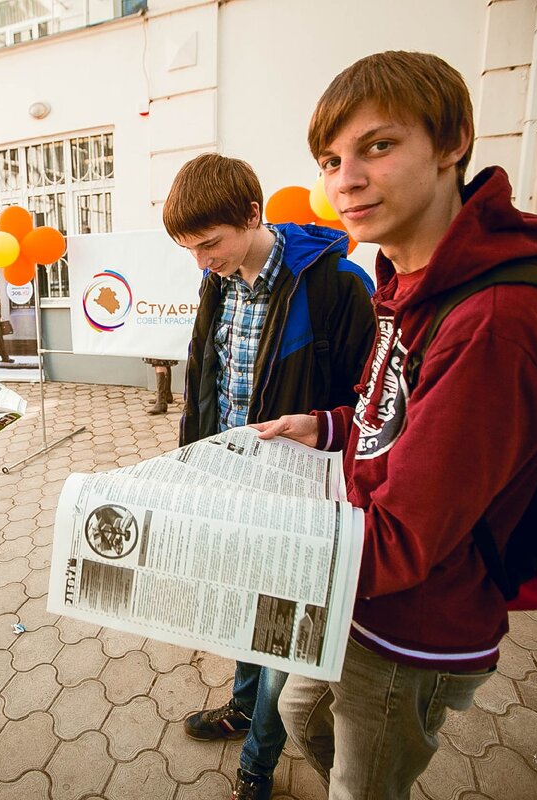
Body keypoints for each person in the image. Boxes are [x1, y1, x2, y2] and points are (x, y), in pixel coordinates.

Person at [256, 51, 537, 799]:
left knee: (363, 785)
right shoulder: (410, 280)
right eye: (331, 159)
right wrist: (329, 426)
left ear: (452, 142)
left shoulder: (495, 320)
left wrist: (250, 556)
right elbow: (394, 414)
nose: (346, 179)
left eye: (378, 146)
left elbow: (408, 538)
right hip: (356, 592)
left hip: (410, 628)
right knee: (298, 711)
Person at [165, 153, 376, 800]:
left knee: (284, 631)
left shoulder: (336, 286)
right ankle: (239, 707)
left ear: (254, 216)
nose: (202, 261)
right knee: (243, 611)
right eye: (190, 250)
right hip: (230, 479)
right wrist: (191, 464)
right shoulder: (217, 282)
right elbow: (204, 380)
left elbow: (368, 407)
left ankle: (258, 763)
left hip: (299, 492)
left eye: (210, 244)